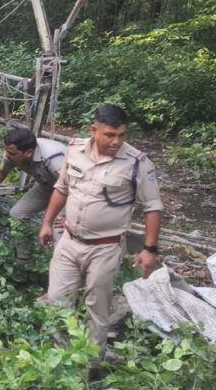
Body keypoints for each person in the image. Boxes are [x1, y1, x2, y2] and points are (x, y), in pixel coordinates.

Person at [38, 104, 163, 356]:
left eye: (122, 135)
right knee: (57, 302)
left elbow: (153, 207)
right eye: (110, 135)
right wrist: (47, 222)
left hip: (106, 248)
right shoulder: (75, 150)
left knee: (97, 308)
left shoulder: (137, 163)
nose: (117, 141)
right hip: (69, 242)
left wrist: (150, 249)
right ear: (94, 130)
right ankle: (61, 360)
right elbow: (62, 188)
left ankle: (91, 365)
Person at [0, 127, 66, 223]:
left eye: (12, 153)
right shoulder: (12, 154)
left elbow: (73, 186)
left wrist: (68, 216)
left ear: (29, 153)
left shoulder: (54, 159)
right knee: (18, 214)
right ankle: (34, 233)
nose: (7, 155)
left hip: (68, 190)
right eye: (7, 151)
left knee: (58, 224)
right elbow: (2, 172)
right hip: (47, 186)